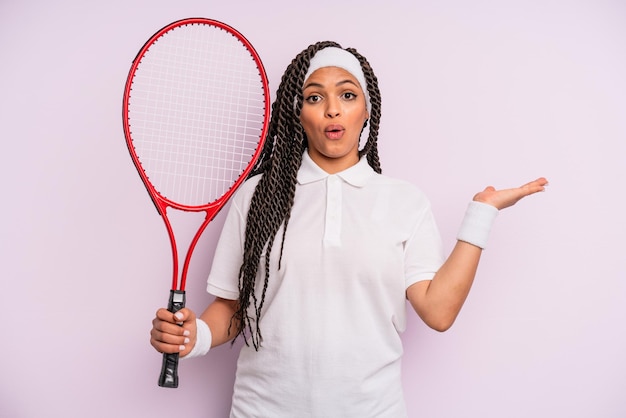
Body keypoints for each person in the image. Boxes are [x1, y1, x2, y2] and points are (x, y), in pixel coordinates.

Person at [150, 40, 548, 417]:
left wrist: (481, 214)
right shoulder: (259, 196)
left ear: (367, 110)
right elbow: (235, 309)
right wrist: (193, 336)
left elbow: (439, 311)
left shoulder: (404, 201)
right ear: (298, 112)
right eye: (314, 97)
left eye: (347, 94)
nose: (332, 110)